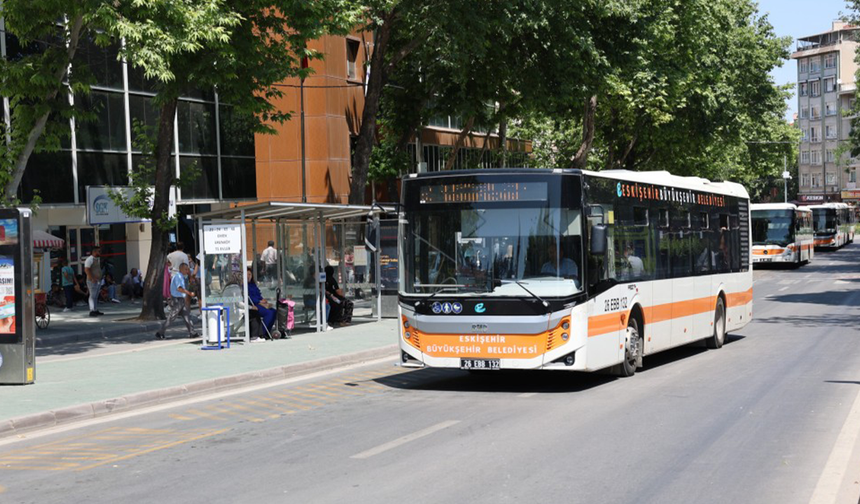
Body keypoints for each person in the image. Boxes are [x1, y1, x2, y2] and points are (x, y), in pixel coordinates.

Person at [155, 263, 199, 340]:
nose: (187, 271)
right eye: (185, 269)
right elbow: (179, 288)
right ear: (181, 269)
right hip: (177, 299)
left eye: (187, 269)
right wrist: (189, 293)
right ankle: (160, 332)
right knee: (172, 316)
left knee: (186, 316)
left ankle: (192, 332)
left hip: (180, 299)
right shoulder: (178, 277)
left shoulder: (180, 276)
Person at [247, 268, 276, 340]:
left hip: (259, 303)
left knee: (274, 311)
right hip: (253, 305)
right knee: (268, 313)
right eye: (247, 274)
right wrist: (259, 302)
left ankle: (267, 331)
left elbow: (258, 294)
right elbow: (249, 298)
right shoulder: (244, 286)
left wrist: (262, 300)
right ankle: (262, 332)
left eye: (250, 274)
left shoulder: (252, 284)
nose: (248, 276)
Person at [84, 246, 104, 317]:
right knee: (92, 296)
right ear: (94, 251)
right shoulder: (89, 259)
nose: (100, 252)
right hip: (92, 281)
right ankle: (92, 310)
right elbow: (87, 270)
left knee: (95, 296)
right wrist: (92, 278)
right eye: (99, 251)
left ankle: (95, 309)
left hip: (97, 280)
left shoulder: (96, 259)